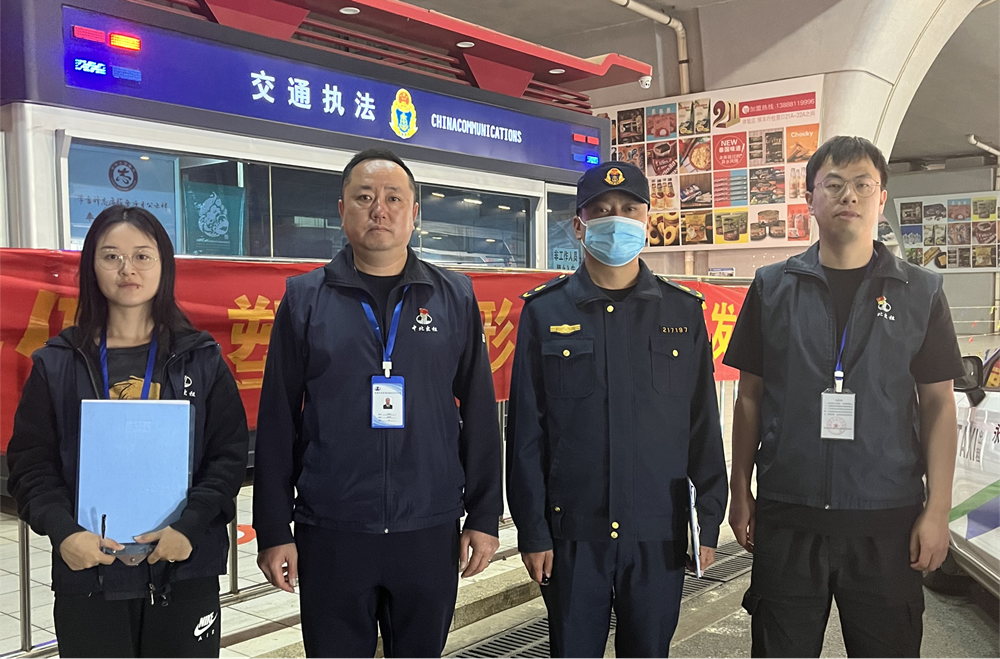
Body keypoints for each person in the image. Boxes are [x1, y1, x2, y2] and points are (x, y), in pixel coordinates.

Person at [253, 148, 502, 658]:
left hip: (427, 525)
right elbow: (278, 418)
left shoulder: (454, 296)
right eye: (364, 197)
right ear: (342, 210)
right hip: (333, 526)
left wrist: (483, 515)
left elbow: (480, 411)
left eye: (393, 198)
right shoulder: (304, 299)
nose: (379, 210)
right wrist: (273, 528)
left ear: (414, 213)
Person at [724, 136, 964, 659]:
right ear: (810, 198)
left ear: (882, 198)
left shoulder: (921, 292)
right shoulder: (772, 287)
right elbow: (750, 397)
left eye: (862, 184)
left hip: (887, 519)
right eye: (832, 184)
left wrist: (938, 509)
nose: (848, 196)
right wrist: (740, 490)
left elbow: (939, 403)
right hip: (789, 516)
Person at [506, 161, 727, 658]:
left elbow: (702, 427)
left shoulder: (682, 310)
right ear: (579, 224)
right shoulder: (545, 311)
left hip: (659, 533)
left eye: (629, 209)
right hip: (572, 534)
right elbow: (526, 434)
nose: (617, 219)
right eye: (602, 210)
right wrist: (533, 531)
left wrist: (707, 521)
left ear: (648, 221)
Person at [7, 206, 249, 659]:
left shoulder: (200, 358)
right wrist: (64, 533)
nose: (127, 269)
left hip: (182, 566)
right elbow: (30, 466)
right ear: (91, 267)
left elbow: (228, 457)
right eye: (111, 256)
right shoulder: (58, 363)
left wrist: (190, 527)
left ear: (164, 265)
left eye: (142, 256)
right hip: (90, 573)